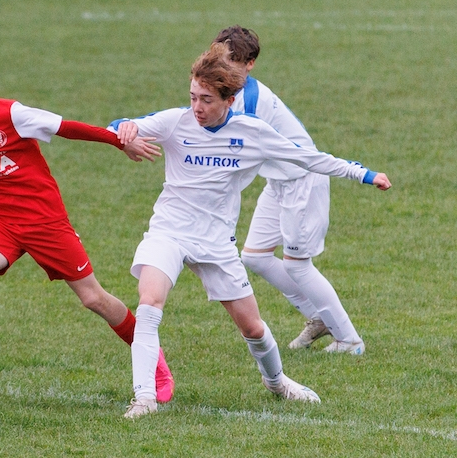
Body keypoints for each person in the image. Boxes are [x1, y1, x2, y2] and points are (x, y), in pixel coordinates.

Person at [108, 44, 391, 420]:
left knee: (254, 329)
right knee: (149, 302)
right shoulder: (176, 121)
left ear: (230, 100)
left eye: (206, 100)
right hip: (169, 231)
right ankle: (144, 398)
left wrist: (364, 174)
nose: (197, 107)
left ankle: (277, 383)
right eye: (193, 97)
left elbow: (309, 158)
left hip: (216, 242)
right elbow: (117, 126)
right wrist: (123, 132)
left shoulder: (252, 132)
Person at [0, 58, 175, 401]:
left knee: (94, 298)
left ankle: (154, 362)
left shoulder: (12, 115)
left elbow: (66, 127)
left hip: (45, 222)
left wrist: (118, 141)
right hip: (2, 221)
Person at [216, 25, 366, 355]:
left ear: (250, 64)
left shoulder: (249, 101)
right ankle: (319, 317)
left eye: (233, 62)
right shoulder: (224, 94)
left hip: (303, 180)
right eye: (220, 60)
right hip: (279, 182)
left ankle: (350, 340)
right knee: (255, 256)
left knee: (298, 264)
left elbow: (236, 154)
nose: (224, 68)